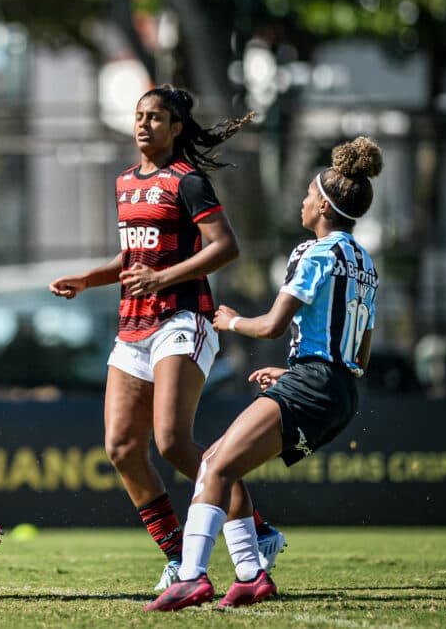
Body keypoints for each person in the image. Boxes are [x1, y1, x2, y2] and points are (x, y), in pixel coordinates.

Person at [48, 84, 284, 591]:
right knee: (121, 447)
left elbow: (225, 247)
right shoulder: (125, 183)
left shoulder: (188, 181)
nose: (143, 124)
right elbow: (132, 256)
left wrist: (162, 279)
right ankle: (178, 556)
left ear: (176, 128)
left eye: (155, 117)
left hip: (182, 319)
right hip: (131, 326)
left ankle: (256, 531)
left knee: (173, 442)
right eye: (140, 115)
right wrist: (88, 279)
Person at [145, 136, 382, 611]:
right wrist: (302, 371)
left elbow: (272, 325)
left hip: (313, 384)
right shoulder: (365, 262)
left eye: (309, 194)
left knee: (214, 466)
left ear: (324, 206)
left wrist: (232, 322)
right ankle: (251, 575)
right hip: (339, 390)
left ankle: (191, 577)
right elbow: (360, 352)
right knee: (221, 462)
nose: (303, 201)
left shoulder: (315, 254)